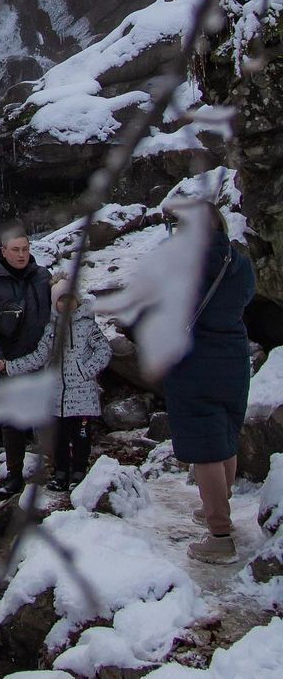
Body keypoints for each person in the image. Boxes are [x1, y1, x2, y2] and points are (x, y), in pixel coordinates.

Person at [163, 207, 255, 565]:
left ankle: (219, 534)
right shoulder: (239, 261)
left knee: (205, 447)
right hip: (232, 356)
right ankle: (219, 501)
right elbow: (244, 299)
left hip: (194, 361)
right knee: (225, 433)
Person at [7, 277, 111, 490]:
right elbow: (39, 356)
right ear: (55, 304)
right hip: (56, 397)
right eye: (61, 300)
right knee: (59, 438)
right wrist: (10, 367)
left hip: (82, 396)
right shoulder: (50, 329)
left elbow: (104, 350)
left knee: (81, 436)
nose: (66, 304)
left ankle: (79, 473)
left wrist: (86, 371)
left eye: (69, 298)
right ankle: (61, 472)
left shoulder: (88, 326)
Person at [0, 228, 51, 495]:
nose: (21, 255)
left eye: (25, 249)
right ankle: (15, 474)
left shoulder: (43, 277)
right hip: (9, 360)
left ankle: (58, 469)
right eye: (15, 250)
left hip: (42, 356)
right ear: (4, 251)